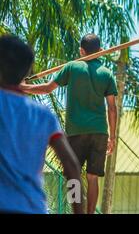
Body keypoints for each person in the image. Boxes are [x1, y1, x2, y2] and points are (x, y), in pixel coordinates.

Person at [21, 33, 118, 214]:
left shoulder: (72, 67)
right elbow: (112, 108)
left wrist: (23, 87)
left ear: (82, 50)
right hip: (100, 132)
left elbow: (47, 88)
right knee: (92, 177)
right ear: (100, 51)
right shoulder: (106, 73)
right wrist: (112, 137)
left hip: (76, 132)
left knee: (73, 177)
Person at [0, 35, 82, 214]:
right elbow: (72, 167)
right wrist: (79, 211)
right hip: (32, 208)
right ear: (27, 72)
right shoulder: (43, 116)